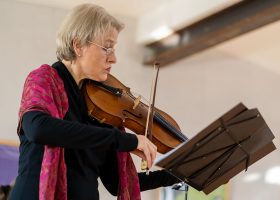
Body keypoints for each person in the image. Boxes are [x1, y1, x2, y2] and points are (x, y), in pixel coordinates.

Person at [8, 3, 179, 200]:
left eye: (114, 49)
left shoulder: (104, 106)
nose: (113, 58)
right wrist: (123, 140)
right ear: (78, 45)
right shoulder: (44, 79)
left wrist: (174, 175)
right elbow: (39, 128)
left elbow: (116, 183)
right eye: (107, 48)